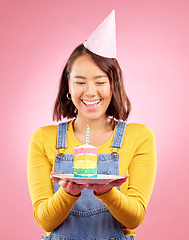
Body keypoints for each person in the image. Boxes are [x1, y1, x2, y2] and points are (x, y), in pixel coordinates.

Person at [27, 11, 156, 240]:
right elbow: (44, 220)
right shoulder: (42, 139)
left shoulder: (139, 136)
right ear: (68, 86)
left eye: (100, 82)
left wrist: (106, 191)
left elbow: (134, 218)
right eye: (80, 82)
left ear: (113, 86)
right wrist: (68, 192)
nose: (90, 92)